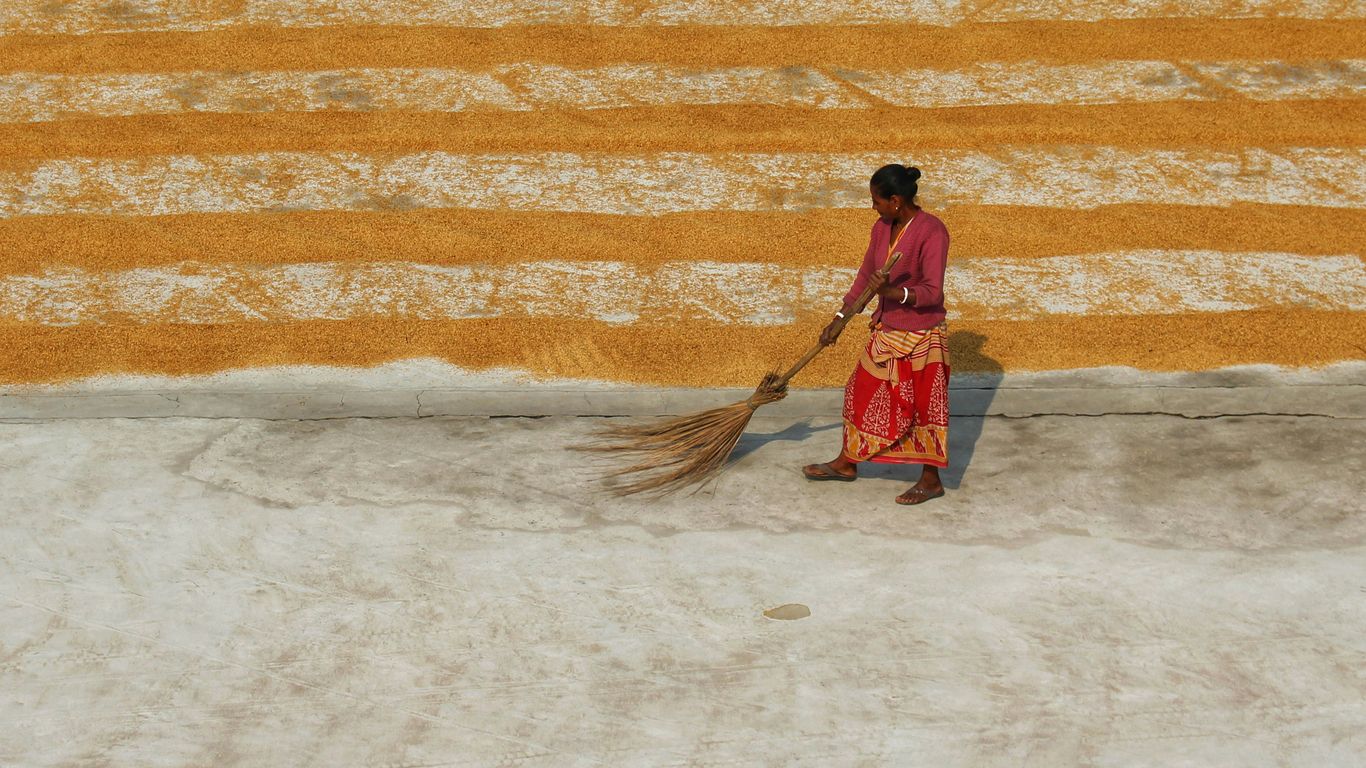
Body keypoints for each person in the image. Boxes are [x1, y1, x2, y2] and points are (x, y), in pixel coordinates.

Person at [801, 164, 950, 505]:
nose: (874, 207)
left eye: (877, 201)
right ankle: (847, 462)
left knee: (925, 409)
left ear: (896, 200)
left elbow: (932, 292)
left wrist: (893, 293)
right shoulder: (881, 229)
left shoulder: (933, 232)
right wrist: (838, 318)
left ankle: (931, 479)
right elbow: (866, 277)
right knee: (859, 391)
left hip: (923, 336)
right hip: (887, 331)